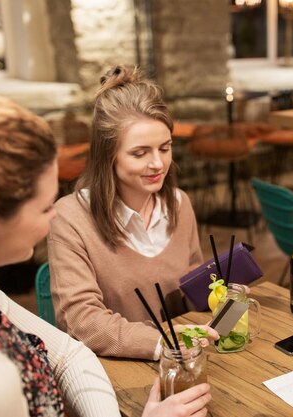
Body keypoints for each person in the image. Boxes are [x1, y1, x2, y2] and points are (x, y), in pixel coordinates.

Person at [0, 70, 216, 417]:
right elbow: (81, 323)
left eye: (165, 148)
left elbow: (67, 354)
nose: (54, 214)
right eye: (44, 205)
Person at [48, 65, 203, 360]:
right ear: (109, 156)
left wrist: (220, 295)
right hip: (116, 376)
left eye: (165, 148)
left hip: (180, 359)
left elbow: (192, 290)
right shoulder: (71, 217)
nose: (158, 164)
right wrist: (161, 344)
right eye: (140, 153)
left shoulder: (180, 204)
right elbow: (81, 319)